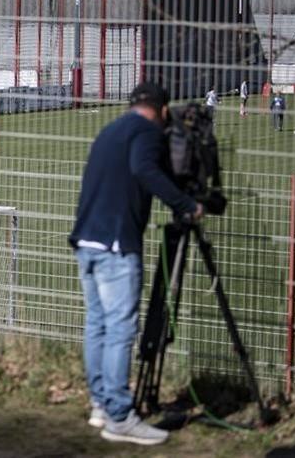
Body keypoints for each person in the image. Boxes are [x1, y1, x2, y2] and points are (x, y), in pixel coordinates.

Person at [69, 81, 203, 446]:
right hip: (115, 244)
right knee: (120, 329)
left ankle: (101, 403)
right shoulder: (146, 133)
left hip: (87, 239)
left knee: (98, 324)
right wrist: (186, 204)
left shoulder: (112, 129)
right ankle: (119, 415)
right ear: (161, 111)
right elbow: (145, 169)